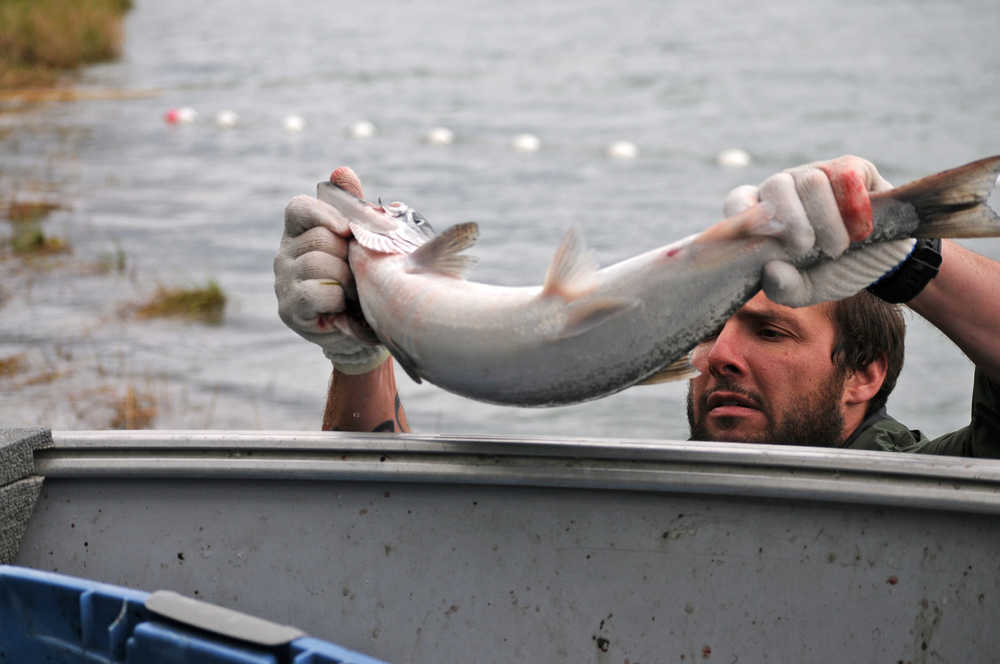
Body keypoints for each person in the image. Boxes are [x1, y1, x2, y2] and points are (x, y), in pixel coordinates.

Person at [273, 156, 1000, 456]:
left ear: (864, 376)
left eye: (772, 331)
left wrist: (913, 253)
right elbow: (378, 501)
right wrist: (359, 351)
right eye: (710, 329)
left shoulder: (940, 481)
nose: (721, 357)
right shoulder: (661, 493)